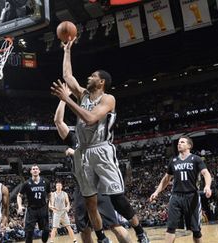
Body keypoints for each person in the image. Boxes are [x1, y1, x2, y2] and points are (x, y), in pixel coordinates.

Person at [51, 38, 150, 243]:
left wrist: (66, 99)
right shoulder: (83, 95)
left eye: (93, 76)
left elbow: (90, 119)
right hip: (83, 152)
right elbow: (67, 76)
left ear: (101, 82)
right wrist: (67, 51)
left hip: (102, 149)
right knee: (90, 202)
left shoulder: (108, 99)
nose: (89, 77)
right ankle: (100, 237)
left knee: (116, 198)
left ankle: (140, 231)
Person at [53, 93, 139, 243]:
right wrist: (63, 100)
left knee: (114, 225)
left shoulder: (99, 139)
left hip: (99, 186)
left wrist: (75, 153)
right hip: (81, 188)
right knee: (84, 230)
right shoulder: (74, 139)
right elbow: (58, 121)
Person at [149, 136, 213, 243]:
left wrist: (207, 186)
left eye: (182, 142)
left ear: (189, 146)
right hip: (176, 196)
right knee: (170, 228)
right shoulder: (173, 161)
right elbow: (166, 179)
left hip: (192, 196)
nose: (179, 144)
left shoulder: (196, 159)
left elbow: (206, 173)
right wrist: (156, 192)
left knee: (196, 230)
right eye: (178, 142)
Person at [17, 165, 51, 243]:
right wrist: (19, 206)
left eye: (36, 169)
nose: (35, 170)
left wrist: (50, 204)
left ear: (39, 171)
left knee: (46, 231)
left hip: (43, 208)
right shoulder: (26, 183)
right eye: (33, 169)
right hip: (31, 210)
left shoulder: (46, 182)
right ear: (31, 172)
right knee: (29, 232)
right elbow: (19, 195)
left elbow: (50, 194)